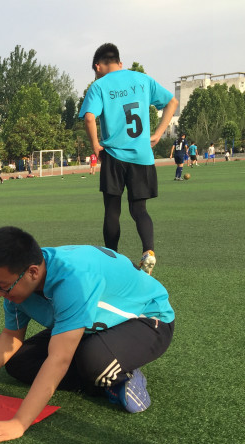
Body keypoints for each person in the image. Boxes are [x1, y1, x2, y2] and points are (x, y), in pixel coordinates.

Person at [0, 226, 175, 444]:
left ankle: (122, 377)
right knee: (18, 362)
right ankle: (98, 371)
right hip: (92, 326)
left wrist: (19, 422)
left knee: (94, 361)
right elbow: (11, 335)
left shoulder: (72, 280)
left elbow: (59, 359)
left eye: (3, 286)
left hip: (148, 321)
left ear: (33, 272)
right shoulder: (19, 282)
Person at [79, 43, 177, 276]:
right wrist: (158, 133)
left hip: (114, 155)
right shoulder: (142, 79)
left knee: (112, 210)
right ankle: (148, 251)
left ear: (97, 67)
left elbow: (90, 118)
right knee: (139, 210)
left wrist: (96, 146)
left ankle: (112, 259)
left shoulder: (99, 86)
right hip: (142, 155)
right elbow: (172, 102)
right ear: (120, 63)